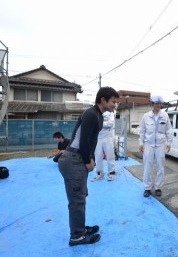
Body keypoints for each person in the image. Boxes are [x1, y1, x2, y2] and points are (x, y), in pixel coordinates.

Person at [58, 87, 119, 246]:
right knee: (77, 200)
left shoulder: (98, 115)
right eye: (113, 101)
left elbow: (90, 140)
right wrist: (88, 160)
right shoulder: (92, 114)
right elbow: (84, 140)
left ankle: (80, 228)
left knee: (80, 197)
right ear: (103, 100)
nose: (115, 105)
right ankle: (77, 235)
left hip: (76, 158)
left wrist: (89, 157)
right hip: (74, 160)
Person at [139, 95, 173, 198]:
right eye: (156, 103)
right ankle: (147, 188)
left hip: (160, 145)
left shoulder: (165, 116)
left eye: (159, 103)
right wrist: (141, 143)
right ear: (152, 104)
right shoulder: (146, 116)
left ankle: (158, 187)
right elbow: (142, 131)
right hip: (148, 145)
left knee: (160, 167)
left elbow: (168, 130)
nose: (158, 105)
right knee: (147, 167)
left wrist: (169, 143)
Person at [92, 110, 117, 181]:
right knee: (98, 155)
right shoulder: (96, 112)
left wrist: (98, 124)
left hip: (108, 137)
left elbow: (110, 123)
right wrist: (101, 124)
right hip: (98, 137)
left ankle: (111, 172)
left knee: (110, 155)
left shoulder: (110, 113)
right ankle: (99, 173)